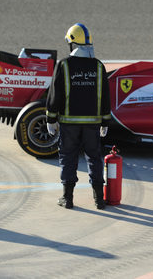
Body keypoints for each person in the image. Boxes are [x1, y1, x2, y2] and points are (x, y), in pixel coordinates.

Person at [46, 23, 111, 210]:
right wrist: (105, 121)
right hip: (92, 124)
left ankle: (67, 198)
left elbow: (55, 94)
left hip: (69, 124)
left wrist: (51, 119)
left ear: (71, 43)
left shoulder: (64, 66)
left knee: (68, 158)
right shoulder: (98, 67)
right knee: (94, 158)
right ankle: (99, 199)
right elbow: (105, 96)